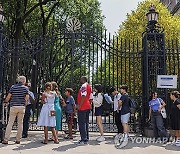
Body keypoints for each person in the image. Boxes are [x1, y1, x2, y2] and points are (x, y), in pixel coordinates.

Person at [2, 76, 29, 144]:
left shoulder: (13, 87)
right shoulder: (25, 88)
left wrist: (5, 102)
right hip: (21, 107)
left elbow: (9, 96)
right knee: (20, 123)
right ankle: (18, 139)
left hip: (13, 106)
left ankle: (6, 139)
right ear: (23, 81)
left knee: (10, 123)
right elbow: (27, 98)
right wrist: (24, 105)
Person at [76, 76, 92, 145]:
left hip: (83, 107)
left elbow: (83, 95)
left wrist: (80, 105)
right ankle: (86, 137)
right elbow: (91, 97)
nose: (80, 80)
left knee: (81, 123)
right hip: (87, 106)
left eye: (81, 79)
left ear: (83, 80)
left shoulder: (83, 86)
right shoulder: (89, 86)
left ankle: (83, 139)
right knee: (86, 123)